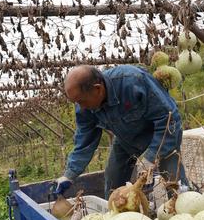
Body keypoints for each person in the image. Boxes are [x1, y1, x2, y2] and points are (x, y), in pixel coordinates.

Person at [54, 64, 190, 199]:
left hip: (161, 137)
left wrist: (151, 158)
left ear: (98, 89)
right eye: (76, 103)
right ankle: (117, 214)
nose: (80, 107)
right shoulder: (84, 107)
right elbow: (84, 142)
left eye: (81, 101)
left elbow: (169, 118)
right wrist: (69, 175)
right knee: (113, 180)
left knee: (175, 182)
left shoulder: (132, 81)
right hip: (126, 140)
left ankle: (186, 208)